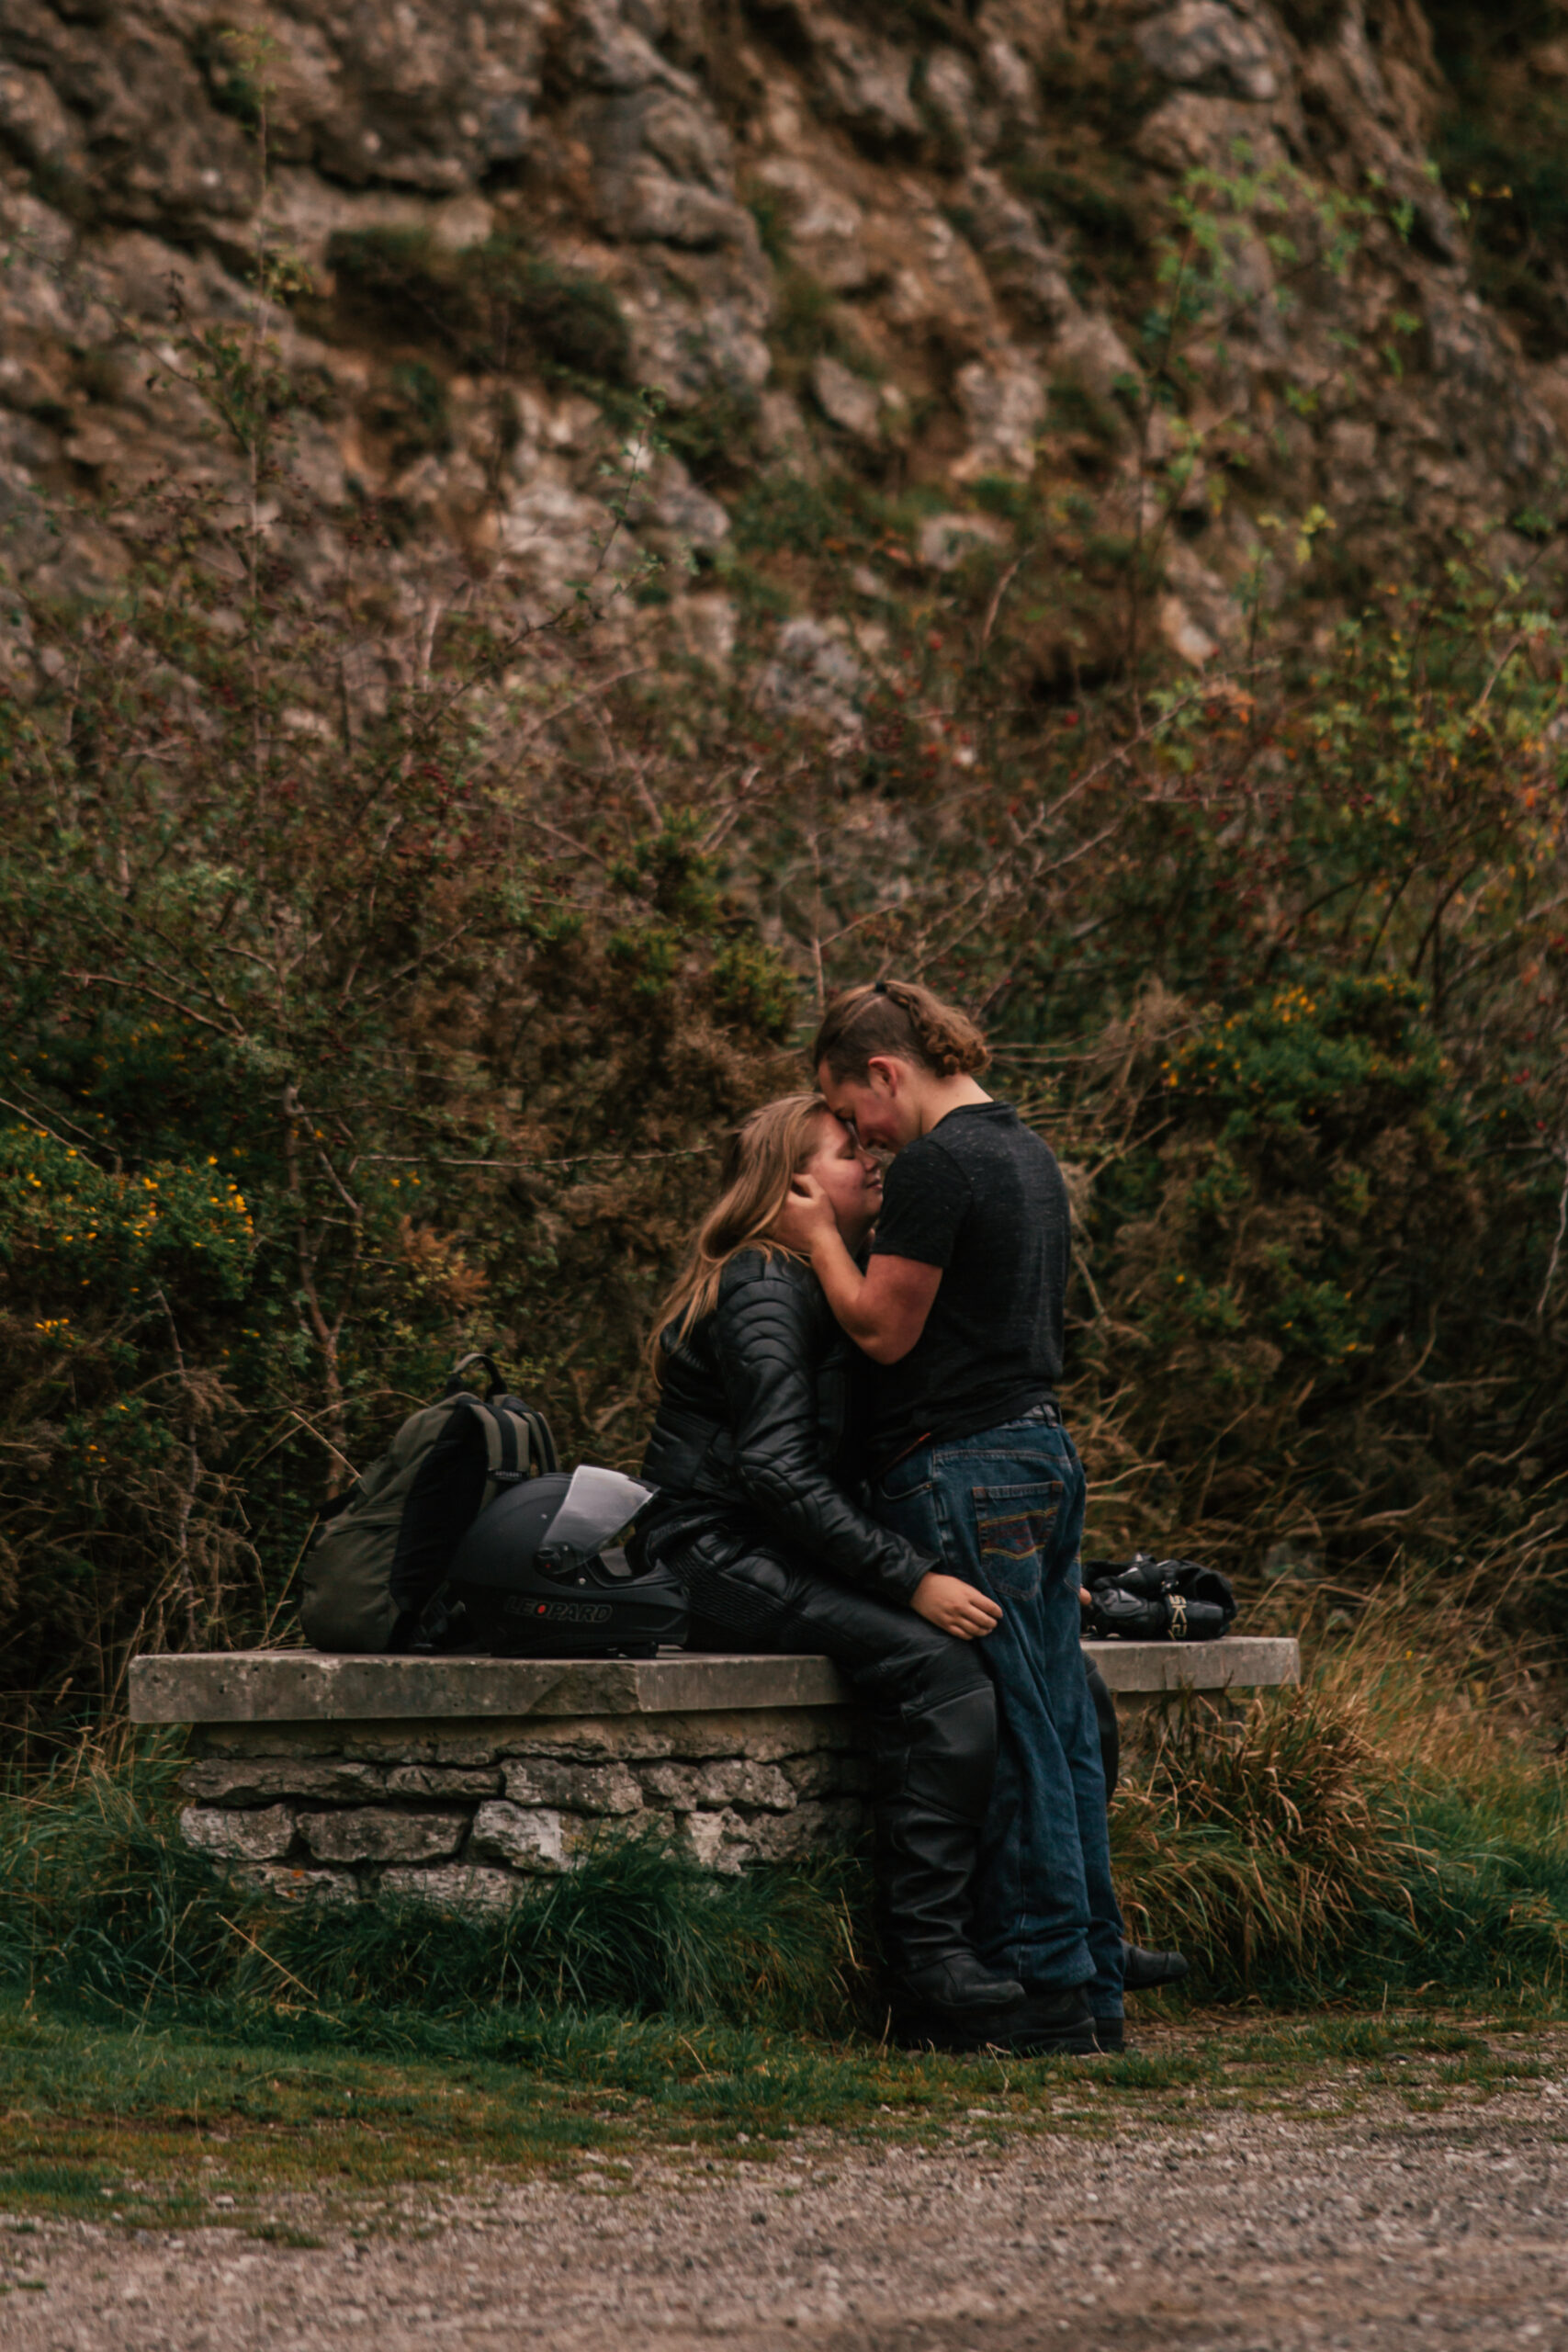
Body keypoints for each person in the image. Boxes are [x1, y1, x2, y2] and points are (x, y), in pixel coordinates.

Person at [634, 1092, 1099, 2055]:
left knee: (1069, 1675)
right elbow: (773, 1470)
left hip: (774, 1544)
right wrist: (913, 1579)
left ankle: (1080, 1927)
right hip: (714, 1556)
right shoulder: (765, 1285)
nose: (872, 1165)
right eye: (848, 1154)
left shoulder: (819, 1279)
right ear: (793, 1185)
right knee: (942, 1672)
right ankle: (930, 1966)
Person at [777, 979, 1126, 2048]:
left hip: (966, 1466)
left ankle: (1040, 1991)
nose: (860, 1141)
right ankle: (1091, 1981)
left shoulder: (937, 1164)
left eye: (851, 1109)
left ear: (886, 1072)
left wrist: (818, 1237)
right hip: (1044, 1451)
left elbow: (885, 1331)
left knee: (1017, 1726)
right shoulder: (1026, 1151)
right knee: (1059, 1715)